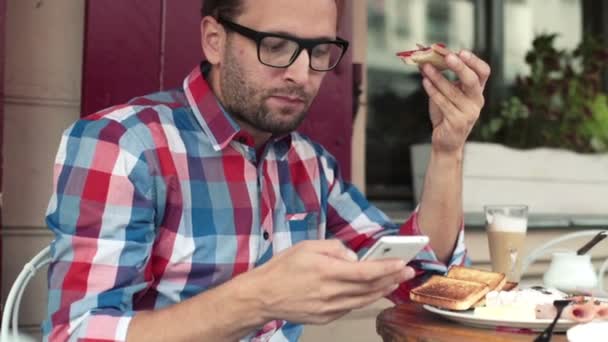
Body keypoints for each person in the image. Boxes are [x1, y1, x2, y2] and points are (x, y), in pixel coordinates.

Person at [43, 0, 490, 341]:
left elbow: (423, 278)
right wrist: (258, 298)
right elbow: (77, 332)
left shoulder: (308, 163)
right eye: (275, 46)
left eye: (319, 51)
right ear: (214, 40)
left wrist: (447, 149)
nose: (302, 73)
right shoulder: (123, 146)